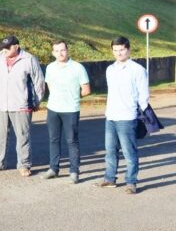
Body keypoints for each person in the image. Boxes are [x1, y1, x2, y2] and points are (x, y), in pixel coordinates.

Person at [0, 35, 45, 177]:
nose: (4, 50)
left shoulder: (29, 59)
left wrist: (36, 101)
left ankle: (24, 165)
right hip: (2, 104)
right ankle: (0, 163)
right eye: (3, 48)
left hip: (21, 104)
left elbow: (39, 82)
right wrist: (0, 95)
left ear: (17, 46)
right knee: (0, 135)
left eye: (8, 47)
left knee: (23, 136)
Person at [98, 36, 149, 194]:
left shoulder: (138, 70)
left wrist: (143, 116)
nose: (118, 53)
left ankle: (131, 182)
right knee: (110, 150)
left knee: (129, 152)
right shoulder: (110, 69)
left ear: (128, 50)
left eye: (121, 50)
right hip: (111, 116)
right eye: (115, 50)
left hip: (127, 117)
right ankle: (110, 178)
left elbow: (143, 95)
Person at [40, 40, 91, 184]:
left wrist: (73, 95)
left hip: (70, 109)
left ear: (67, 50)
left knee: (72, 141)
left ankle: (74, 171)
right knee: (53, 140)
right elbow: (49, 85)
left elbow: (86, 90)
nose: (60, 53)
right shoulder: (50, 67)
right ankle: (53, 169)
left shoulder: (78, 68)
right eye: (56, 51)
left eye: (62, 50)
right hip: (53, 109)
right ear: (52, 53)